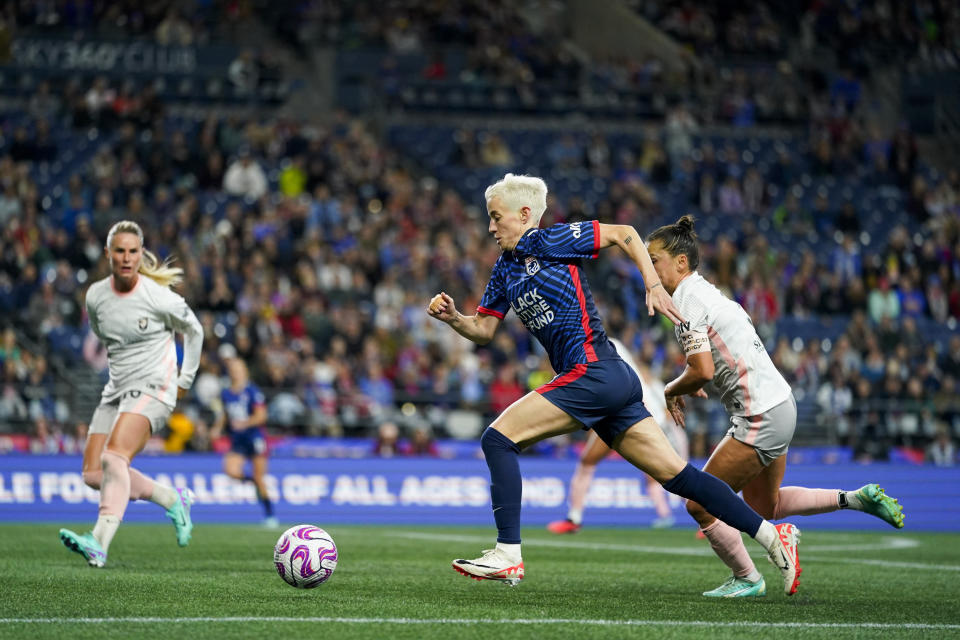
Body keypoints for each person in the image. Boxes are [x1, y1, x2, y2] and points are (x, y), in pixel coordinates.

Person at [427, 174, 802, 595]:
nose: (491, 227)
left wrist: (654, 285)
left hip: (593, 373)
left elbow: (625, 234)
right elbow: (483, 331)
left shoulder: (551, 241)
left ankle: (508, 554)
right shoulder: (504, 269)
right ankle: (773, 536)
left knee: (497, 439)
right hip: (609, 380)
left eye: (496, 218)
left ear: (525, 215)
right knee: (678, 477)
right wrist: (455, 319)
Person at [647, 215, 905, 598]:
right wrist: (695, 379)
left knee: (699, 504)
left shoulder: (685, 299)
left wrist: (672, 389)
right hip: (780, 405)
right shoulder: (709, 293)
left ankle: (749, 576)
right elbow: (712, 363)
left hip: (760, 415)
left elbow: (700, 369)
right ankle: (854, 498)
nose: (649, 269)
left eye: (654, 260)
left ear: (681, 262)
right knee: (767, 505)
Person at [59, 220, 204, 568]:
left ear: (141, 255)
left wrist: (185, 380)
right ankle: (172, 499)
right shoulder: (95, 296)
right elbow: (104, 334)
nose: (126, 258)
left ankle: (99, 541)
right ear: (108, 254)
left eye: (133, 251)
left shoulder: (157, 297)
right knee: (94, 474)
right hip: (117, 388)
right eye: (120, 251)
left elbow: (195, 330)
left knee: (114, 459)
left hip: (156, 385)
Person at [547, 338, 686, 533]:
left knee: (671, 471)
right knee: (589, 461)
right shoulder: (608, 344)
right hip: (624, 409)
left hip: (633, 410)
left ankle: (708, 516)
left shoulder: (592, 346)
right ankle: (573, 518)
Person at [210, 356, 277, 528]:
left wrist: (244, 423)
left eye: (238, 369)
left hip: (254, 438)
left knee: (260, 477)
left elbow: (261, 415)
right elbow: (225, 415)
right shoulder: (226, 393)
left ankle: (270, 514)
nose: (235, 372)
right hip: (237, 439)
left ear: (244, 371)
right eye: (232, 369)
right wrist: (217, 428)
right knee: (230, 470)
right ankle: (251, 481)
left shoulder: (252, 391)